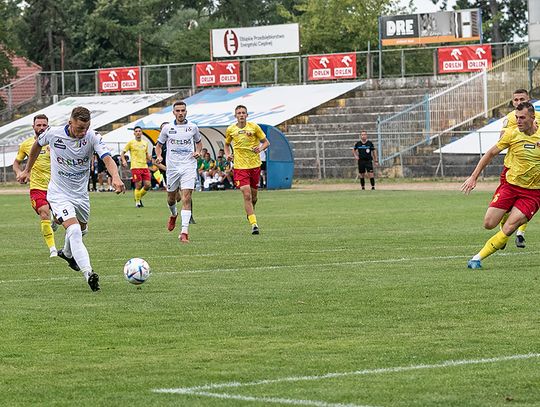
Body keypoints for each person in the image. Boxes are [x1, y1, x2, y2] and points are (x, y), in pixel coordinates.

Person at [17, 106, 125, 291]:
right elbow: (36, 145)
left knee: (82, 231)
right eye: (78, 128)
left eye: (85, 128)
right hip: (59, 193)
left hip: (81, 195)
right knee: (74, 230)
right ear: (70, 123)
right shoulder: (54, 134)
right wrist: (27, 169)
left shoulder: (92, 136)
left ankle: (67, 253)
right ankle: (89, 273)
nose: (82, 132)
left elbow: (107, 158)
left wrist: (115, 176)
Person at [461, 102, 540, 269]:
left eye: (522, 118)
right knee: (489, 224)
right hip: (510, 186)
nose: (518, 121)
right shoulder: (512, 134)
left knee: (510, 227)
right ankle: (507, 212)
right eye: (517, 117)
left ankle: (477, 258)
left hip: (533, 193)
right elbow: (490, 154)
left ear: (533, 118)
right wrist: (473, 177)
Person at [497, 89, 540, 248]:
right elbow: (500, 140)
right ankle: (504, 226)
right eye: (515, 100)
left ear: (529, 100)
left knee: (527, 202)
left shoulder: (536, 116)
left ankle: (519, 233)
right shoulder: (510, 119)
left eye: (521, 99)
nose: (518, 102)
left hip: (533, 167)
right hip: (512, 168)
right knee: (508, 206)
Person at [155, 100, 202, 243]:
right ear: (173, 112)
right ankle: (173, 214)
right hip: (172, 167)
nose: (180, 113)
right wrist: (159, 155)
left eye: (183, 110)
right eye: (178, 111)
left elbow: (199, 143)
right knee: (171, 198)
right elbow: (158, 145)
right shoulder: (167, 128)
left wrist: (198, 152)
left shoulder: (193, 127)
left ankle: (184, 232)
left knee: (186, 197)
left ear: (186, 112)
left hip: (188, 165)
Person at [13, 114, 58, 257]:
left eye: (44, 125)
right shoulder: (26, 144)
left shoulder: (55, 142)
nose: (41, 128)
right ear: (33, 127)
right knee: (44, 212)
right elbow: (16, 163)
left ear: (48, 126)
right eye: (38, 125)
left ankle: (56, 221)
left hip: (57, 186)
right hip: (37, 187)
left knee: (57, 218)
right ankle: (53, 249)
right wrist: (20, 173)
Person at [224, 105, 269, 235]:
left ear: (247, 115)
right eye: (239, 113)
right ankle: (254, 224)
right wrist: (228, 155)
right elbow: (227, 145)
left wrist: (259, 149)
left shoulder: (254, 127)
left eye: (243, 113)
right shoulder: (231, 129)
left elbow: (266, 142)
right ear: (235, 116)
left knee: (254, 197)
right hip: (240, 167)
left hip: (254, 165)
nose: (241, 115)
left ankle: (250, 212)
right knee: (247, 195)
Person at [121, 126, 152, 207]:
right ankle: (138, 203)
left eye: (139, 131)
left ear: (141, 133)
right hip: (135, 166)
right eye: (136, 131)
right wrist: (124, 161)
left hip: (144, 166)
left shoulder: (145, 143)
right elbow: (122, 153)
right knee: (138, 185)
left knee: (148, 185)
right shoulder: (131, 143)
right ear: (134, 133)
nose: (138, 132)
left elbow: (146, 154)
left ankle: (137, 197)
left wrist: (151, 159)